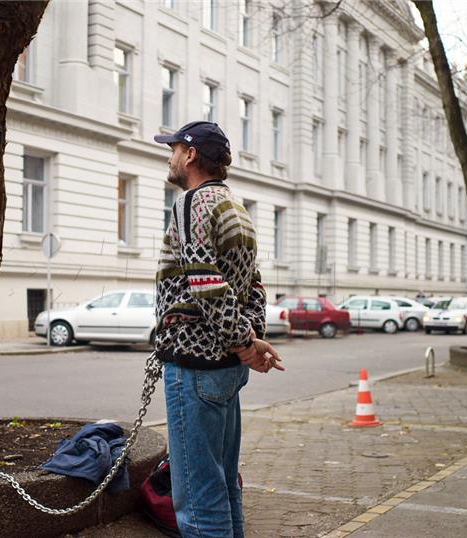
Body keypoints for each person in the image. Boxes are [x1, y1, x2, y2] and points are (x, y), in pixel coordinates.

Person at [153, 121, 283, 537]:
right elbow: (254, 284)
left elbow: (205, 281)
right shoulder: (235, 207)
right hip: (225, 369)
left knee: (196, 499)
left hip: (195, 368)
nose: (169, 157)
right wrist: (248, 343)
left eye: (173, 149)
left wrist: (245, 342)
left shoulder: (192, 203)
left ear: (190, 155)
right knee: (225, 488)